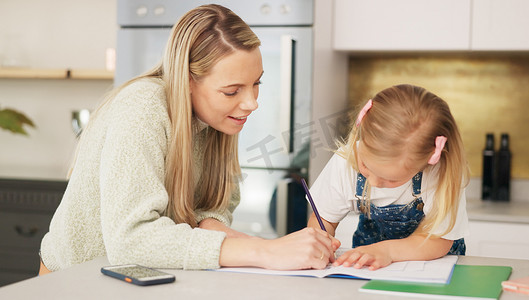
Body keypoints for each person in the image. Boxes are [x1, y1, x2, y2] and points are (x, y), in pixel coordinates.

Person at [39, 4, 337, 275]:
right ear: (188, 81)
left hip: (141, 278)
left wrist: (220, 228)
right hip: (75, 280)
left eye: (256, 84)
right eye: (232, 91)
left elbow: (215, 206)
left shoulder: (215, 120)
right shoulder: (141, 108)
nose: (251, 103)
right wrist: (263, 250)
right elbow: (131, 240)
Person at [307, 84, 469, 270]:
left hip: (434, 268)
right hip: (372, 269)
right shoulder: (346, 161)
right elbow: (324, 220)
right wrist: (320, 245)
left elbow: (439, 239)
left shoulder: (440, 173)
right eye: (366, 166)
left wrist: (388, 252)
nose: (374, 182)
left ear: (427, 161)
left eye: (392, 179)